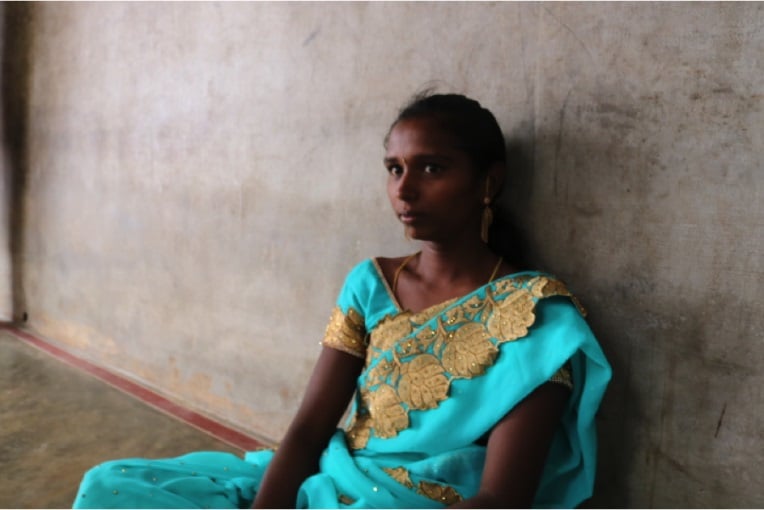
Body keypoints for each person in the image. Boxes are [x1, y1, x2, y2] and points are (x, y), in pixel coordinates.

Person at [73, 93, 611, 509]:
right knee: (112, 486)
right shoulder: (370, 283)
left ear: (488, 181)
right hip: (332, 482)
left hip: (425, 501)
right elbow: (310, 427)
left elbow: (502, 500)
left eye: (432, 168)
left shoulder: (533, 315)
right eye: (394, 168)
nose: (404, 189)